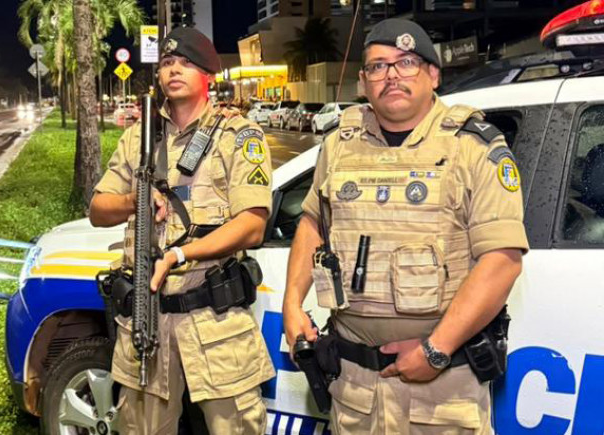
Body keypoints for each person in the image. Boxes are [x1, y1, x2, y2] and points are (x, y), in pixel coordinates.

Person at [283, 18, 529, 433]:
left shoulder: (473, 146)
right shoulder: (340, 144)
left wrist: (436, 349)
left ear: (433, 75)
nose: (392, 75)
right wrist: (292, 302)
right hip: (353, 388)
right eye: (378, 66)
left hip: (442, 389)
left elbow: (502, 260)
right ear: (364, 82)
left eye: (407, 63)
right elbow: (313, 222)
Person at [89, 27, 275, 434]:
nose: (174, 70)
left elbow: (252, 225)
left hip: (215, 324)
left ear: (208, 74)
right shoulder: (139, 139)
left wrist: (180, 254)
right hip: (148, 322)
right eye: (168, 63)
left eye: (186, 63)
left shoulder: (238, 135)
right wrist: (136, 199)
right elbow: (98, 210)